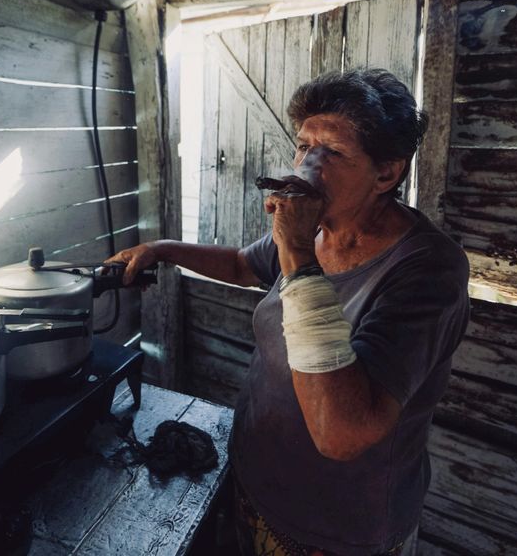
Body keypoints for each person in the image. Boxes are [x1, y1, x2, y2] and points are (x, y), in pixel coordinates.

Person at [107, 69, 470, 556]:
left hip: (337, 525)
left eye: (334, 153)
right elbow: (242, 263)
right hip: (256, 476)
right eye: (304, 146)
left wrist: (297, 251)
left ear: (387, 172)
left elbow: (342, 433)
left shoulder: (429, 269)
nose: (307, 167)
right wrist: (163, 248)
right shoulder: (319, 230)